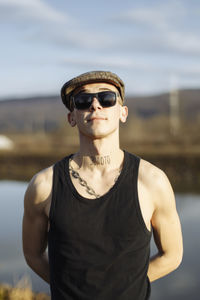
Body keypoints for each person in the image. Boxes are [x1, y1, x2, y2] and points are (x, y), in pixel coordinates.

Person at [22, 71, 183, 300]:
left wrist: (125, 285)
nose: (95, 105)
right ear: (72, 118)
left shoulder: (152, 181)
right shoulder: (43, 186)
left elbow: (172, 255)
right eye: (83, 100)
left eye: (107, 99)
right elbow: (33, 254)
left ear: (122, 112)